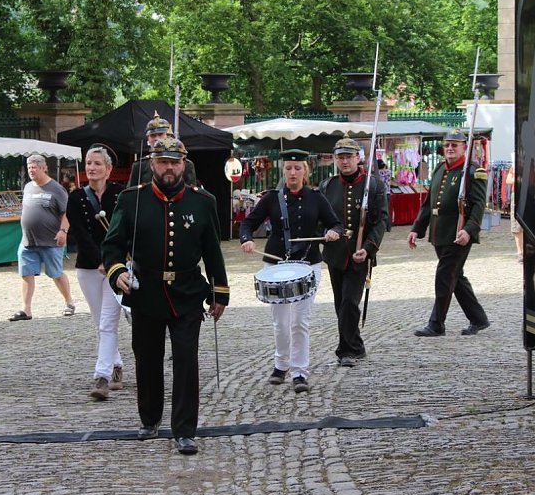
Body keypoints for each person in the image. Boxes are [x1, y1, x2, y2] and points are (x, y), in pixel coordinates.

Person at [103, 135, 229, 455]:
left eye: (174, 162)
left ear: (183, 164)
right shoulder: (132, 199)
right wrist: (117, 273)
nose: (169, 168)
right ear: (152, 165)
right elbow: (112, 245)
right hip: (146, 292)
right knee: (147, 359)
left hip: (188, 292)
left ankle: (185, 430)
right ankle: (149, 418)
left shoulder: (203, 202)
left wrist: (220, 292)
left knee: (186, 361)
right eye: (162, 163)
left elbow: (213, 251)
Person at [240, 149, 342, 392]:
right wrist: (246, 238)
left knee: (300, 321)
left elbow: (336, 222)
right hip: (276, 265)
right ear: (283, 171)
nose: (293, 172)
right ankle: (280, 365)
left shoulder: (316, 198)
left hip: (308, 264)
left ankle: (299, 372)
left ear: (305, 171)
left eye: (297, 168)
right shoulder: (272, 198)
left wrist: (332, 232)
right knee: (280, 321)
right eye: (288, 168)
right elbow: (248, 223)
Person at [407, 129, 489, 337]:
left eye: (455, 144)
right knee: (455, 277)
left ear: (464, 147)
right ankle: (478, 319)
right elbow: (429, 203)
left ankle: (436, 324)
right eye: (447, 145)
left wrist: (469, 231)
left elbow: (479, 205)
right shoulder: (440, 168)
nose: (450, 148)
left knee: (444, 276)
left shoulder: (473, 171)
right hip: (440, 232)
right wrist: (417, 228)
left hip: (459, 234)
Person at [319, 136, 389, 367]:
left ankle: (346, 350)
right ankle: (356, 345)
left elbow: (381, 222)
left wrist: (369, 248)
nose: (345, 161)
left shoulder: (374, 185)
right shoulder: (327, 186)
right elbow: (321, 218)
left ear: (358, 158)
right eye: (340, 157)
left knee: (350, 301)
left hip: (359, 254)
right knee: (341, 302)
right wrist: (325, 232)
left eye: (349, 156)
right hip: (335, 253)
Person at [66, 146, 125, 401]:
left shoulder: (120, 195)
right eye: (88, 163)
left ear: (108, 169)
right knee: (99, 321)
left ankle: (101, 377)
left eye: (97, 163)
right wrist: (99, 259)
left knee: (108, 321)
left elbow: (125, 230)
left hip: (116, 268)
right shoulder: (77, 197)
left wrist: (111, 261)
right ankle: (117, 363)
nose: (91, 167)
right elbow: (79, 233)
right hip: (88, 266)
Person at [8, 154, 76, 321]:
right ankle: (26, 309)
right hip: (28, 240)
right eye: (29, 167)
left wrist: (63, 231)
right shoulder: (28, 187)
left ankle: (69, 302)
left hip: (50, 240)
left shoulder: (56, 189)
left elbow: (67, 213)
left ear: (44, 168)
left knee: (56, 274)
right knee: (26, 274)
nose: (31, 170)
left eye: (35, 167)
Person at [128, 111, 199, 187]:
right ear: (148, 138)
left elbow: (191, 195)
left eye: (160, 134)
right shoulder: (140, 165)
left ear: (169, 135)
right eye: (153, 135)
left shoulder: (186, 164)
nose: (157, 138)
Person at [506, 164, 524, 262]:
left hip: (530, 193)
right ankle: (520, 252)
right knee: (517, 225)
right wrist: (519, 177)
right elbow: (508, 180)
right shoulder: (514, 166)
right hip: (517, 195)